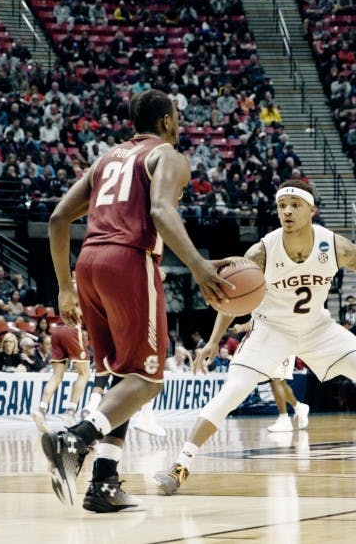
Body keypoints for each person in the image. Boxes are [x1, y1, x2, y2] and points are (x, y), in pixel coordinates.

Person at [155, 179, 356, 497]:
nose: (288, 211)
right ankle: (181, 465)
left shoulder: (334, 246)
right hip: (271, 329)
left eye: (295, 205)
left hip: (317, 327)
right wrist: (214, 340)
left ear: (312, 210)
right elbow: (231, 296)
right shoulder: (262, 251)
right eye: (282, 206)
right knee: (231, 393)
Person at [43, 89, 232, 512]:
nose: (178, 124)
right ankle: (75, 438)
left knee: (122, 376)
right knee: (147, 380)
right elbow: (162, 212)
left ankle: (103, 483)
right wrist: (198, 265)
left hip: (88, 262)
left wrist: (64, 287)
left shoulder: (106, 159)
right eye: (176, 117)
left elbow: (58, 218)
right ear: (166, 121)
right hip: (128, 260)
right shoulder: (168, 155)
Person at [33, 323, 90, 430]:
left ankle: (42, 409)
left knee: (57, 375)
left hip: (56, 330)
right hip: (72, 328)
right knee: (84, 374)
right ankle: (71, 411)